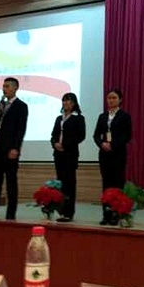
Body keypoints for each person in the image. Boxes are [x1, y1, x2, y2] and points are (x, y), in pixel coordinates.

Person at [0, 77, 28, 220]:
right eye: (3, 86)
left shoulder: (21, 106)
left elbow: (21, 129)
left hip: (10, 149)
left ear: (15, 88)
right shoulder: (2, 105)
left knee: (11, 181)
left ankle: (11, 213)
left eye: (7, 86)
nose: (4, 89)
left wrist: (16, 148)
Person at [93, 89, 132, 225]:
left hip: (118, 154)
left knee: (117, 184)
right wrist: (101, 144)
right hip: (104, 155)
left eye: (114, 98)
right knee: (106, 185)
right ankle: (106, 214)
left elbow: (127, 135)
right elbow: (96, 135)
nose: (111, 100)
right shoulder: (102, 116)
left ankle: (117, 213)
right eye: (109, 98)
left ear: (120, 100)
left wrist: (113, 144)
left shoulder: (124, 116)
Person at [51, 92, 86, 222]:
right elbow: (53, 135)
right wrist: (55, 143)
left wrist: (65, 144)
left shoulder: (78, 118)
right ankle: (61, 211)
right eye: (64, 101)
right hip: (58, 154)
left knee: (69, 184)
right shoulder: (58, 118)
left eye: (68, 101)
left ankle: (69, 213)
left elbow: (81, 136)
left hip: (70, 154)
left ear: (74, 103)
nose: (65, 103)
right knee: (60, 183)